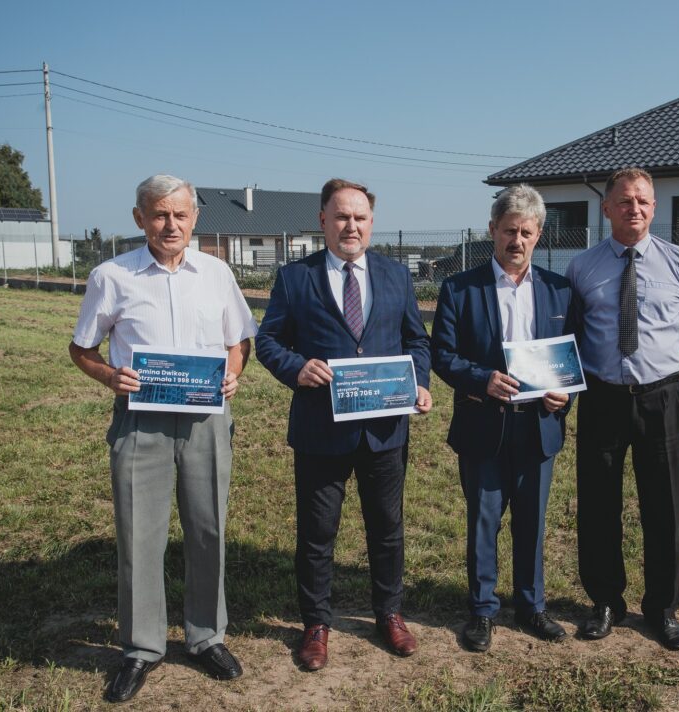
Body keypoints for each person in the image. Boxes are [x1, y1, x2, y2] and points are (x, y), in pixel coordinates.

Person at [69, 175, 257, 703]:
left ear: (195, 218)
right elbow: (81, 348)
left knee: (208, 528)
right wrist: (109, 376)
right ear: (139, 219)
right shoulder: (112, 276)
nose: (170, 225)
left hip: (206, 420)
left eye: (179, 214)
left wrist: (233, 371)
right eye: (158, 215)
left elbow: (238, 340)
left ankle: (206, 637)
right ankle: (141, 648)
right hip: (139, 421)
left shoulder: (216, 274)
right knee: (138, 534)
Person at [255, 178, 432, 671]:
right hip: (321, 430)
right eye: (340, 217)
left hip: (384, 429)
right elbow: (268, 341)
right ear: (323, 222)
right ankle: (316, 624)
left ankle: (389, 614)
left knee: (388, 529)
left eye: (359, 218)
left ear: (371, 223)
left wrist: (418, 381)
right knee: (317, 533)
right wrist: (296, 367)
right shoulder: (295, 278)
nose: (350, 226)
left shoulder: (396, 276)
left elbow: (417, 341)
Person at [565, 167, 679, 651]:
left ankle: (663, 607)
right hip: (602, 397)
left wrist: (667, 372)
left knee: (664, 504)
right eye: (625, 201)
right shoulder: (581, 268)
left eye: (644, 202)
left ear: (654, 207)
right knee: (598, 502)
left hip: (661, 398)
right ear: (606, 208)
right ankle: (605, 601)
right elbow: (573, 333)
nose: (635, 209)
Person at [431, 184, 573, 652]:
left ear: (539, 234)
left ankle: (532, 607)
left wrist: (562, 397)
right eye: (509, 230)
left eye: (526, 232)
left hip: (538, 425)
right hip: (483, 423)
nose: (517, 240)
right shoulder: (459, 289)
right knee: (484, 522)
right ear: (492, 230)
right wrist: (481, 380)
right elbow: (442, 356)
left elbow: (573, 360)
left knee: (532, 521)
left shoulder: (558, 291)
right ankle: (482, 610)